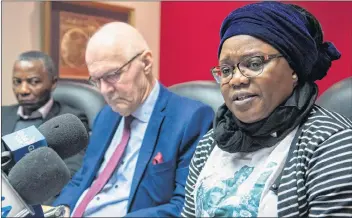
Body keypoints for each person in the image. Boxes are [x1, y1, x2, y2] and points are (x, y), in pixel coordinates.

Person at [181, 2, 352, 217]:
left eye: (253, 64)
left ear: (293, 69)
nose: (236, 79)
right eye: (226, 70)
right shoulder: (210, 143)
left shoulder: (332, 143)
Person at [52, 22, 214, 217]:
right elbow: (83, 178)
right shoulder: (106, 115)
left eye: (112, 75)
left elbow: (184, 206)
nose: (104, 90)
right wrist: (61, 210)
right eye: (96, 80)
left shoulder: (190, 119)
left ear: (146, 62)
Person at [1, 51, 89, 204]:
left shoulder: (68, 122)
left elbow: (70, 172)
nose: (23, 90)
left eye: (33, 81)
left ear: (53, 82)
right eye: (17, 81)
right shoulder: (3, 114)